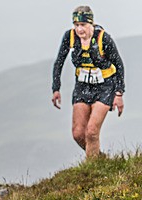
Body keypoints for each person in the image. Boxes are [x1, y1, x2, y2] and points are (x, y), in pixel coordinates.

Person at [52, 5, 125, 159]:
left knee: (91, 131)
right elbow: (59, 61)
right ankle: (99, 158)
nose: (79, 30)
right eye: (76, 25)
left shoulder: (103, 38)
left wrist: (118, 94)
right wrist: (56, 89)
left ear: (91, 24)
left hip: (105, 86)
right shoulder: (70, 37)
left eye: (83, 25)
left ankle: (92, 171)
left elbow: (119, 65)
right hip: (83, 85)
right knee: (78, 133)